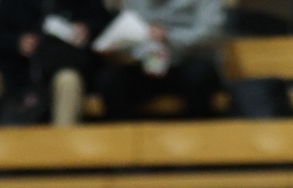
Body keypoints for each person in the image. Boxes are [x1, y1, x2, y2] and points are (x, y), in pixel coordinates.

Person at [0, 0, 109, 127]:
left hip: (60, 69)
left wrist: (88, 29)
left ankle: (64, 144)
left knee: (69, 80)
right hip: (16, 73)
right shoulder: (12, 3)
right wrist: (17, 42)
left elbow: (104, 26)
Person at [95, 0, 226, 121]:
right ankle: (126, 133)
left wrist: (169, 37)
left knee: (200, 76)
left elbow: (211, 34)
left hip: (187, 63)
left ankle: (198, 132)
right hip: (149, 65)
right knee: (110, 80)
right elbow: (129, 31)